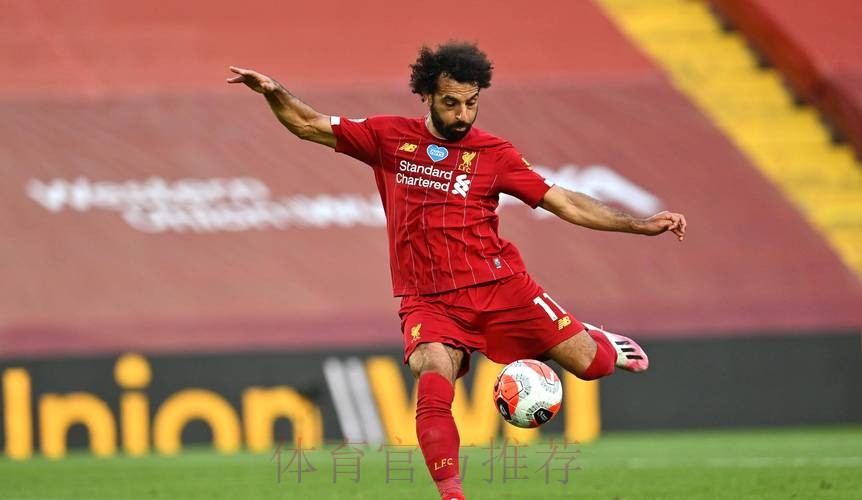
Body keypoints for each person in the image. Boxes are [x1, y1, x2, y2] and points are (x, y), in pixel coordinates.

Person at [228, 41, 686, 500]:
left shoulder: (495, 154)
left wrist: (637, 225)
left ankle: (598, 338)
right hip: (428, 299)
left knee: (593, 366)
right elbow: (308, 124)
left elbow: (564, 201)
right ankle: (452, 494)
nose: (462, 114)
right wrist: (273, 91)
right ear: (427, 95)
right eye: (451, 103)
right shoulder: (389, 138)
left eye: (471, 103)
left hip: (501, 286)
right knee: (432, 377)